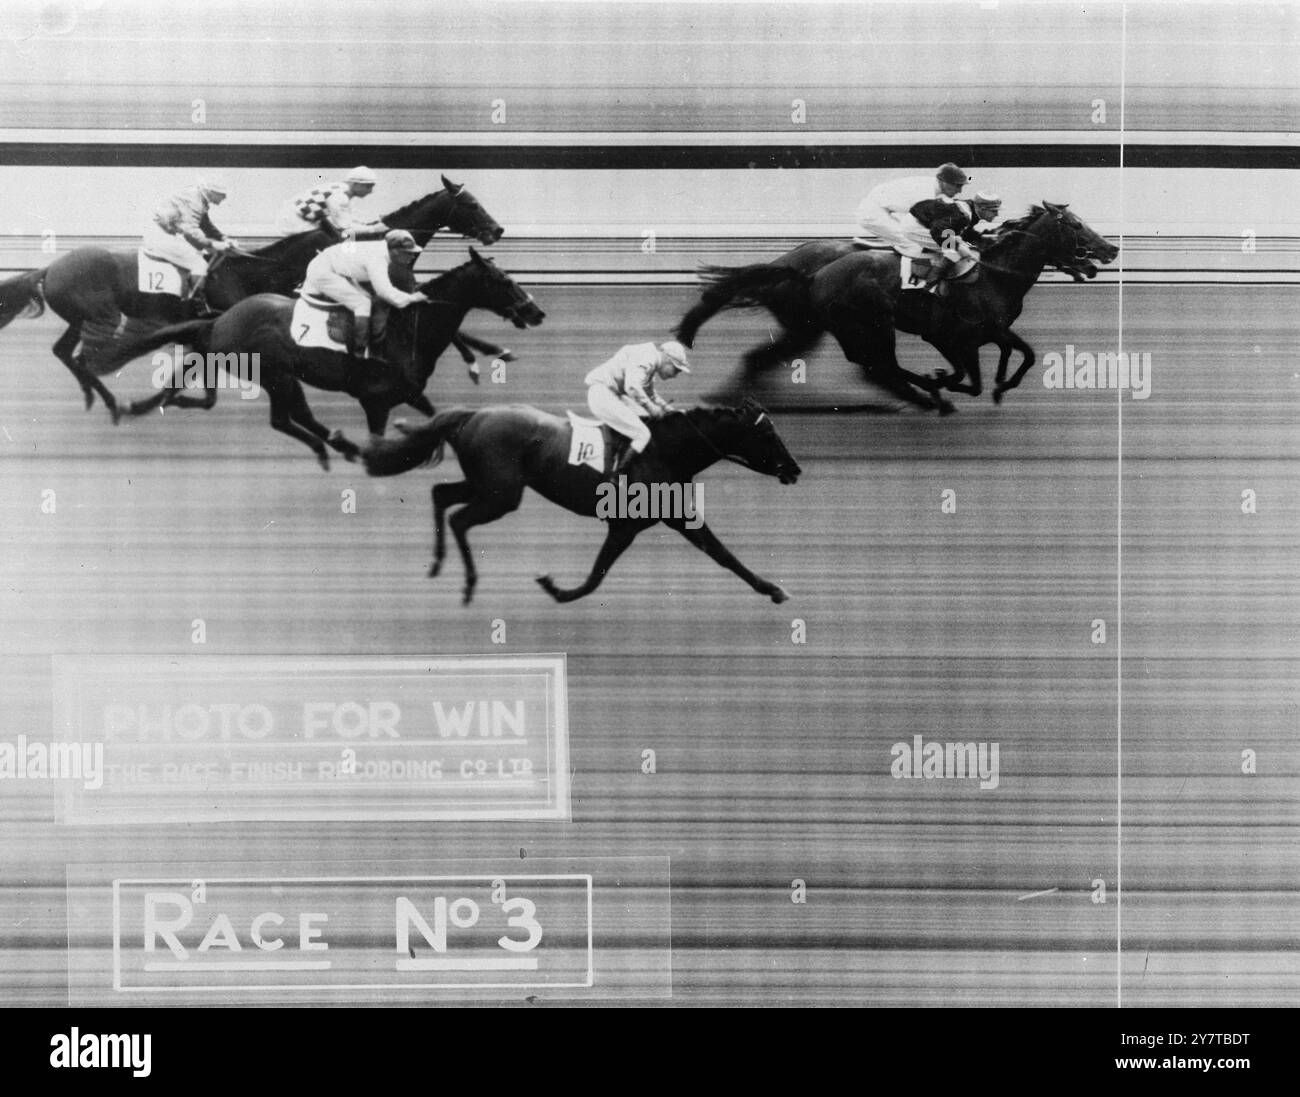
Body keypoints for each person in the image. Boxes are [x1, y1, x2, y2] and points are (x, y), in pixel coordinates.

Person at [298, 229, 426, 358]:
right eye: (409, 253)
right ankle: (359, 353)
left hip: (338, 269)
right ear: (396, 251)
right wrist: (413, 298)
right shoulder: (377, 259)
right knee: (362, 304)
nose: (412, 257)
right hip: (323, 271)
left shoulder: (383, 250)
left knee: (367, 298)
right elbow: (384, 292)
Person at [584, 340, 691, 474]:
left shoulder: (650, 362)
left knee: (645, 419)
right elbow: (632, 387)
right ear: (667, 359)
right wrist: (651, 408)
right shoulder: (647, 357)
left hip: (612, 394)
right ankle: (617, 477)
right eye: (676, 369)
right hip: (602, 394)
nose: (675, 375)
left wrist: (673, 412)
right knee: (643, 435)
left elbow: (651, 396)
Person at [854, 163, 970, 283]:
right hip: (872, 213)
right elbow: (932, 227)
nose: (960, 191)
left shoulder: (933, 187)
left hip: (883, 210)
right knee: (913, 243)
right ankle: (910, 283)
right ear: (944, 182)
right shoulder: (925, 192)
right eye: (957, 186)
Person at [142, 179, 235, 305]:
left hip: (165, 233)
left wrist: (223, 238)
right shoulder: (195, 201)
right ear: (212, 192)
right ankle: (197, 304)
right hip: (161, 237)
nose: (225, 198)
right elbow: (190, 231)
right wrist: (213, 244)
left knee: (203, 252)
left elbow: (205, 224)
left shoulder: (198, 197)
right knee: (199, 264)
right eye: (223, 195)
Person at [276, 166, 387, 240]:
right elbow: (344, 227)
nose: (371, 191)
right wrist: (375, 229)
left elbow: (345, 219)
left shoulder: (339, 188)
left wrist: (366, 225)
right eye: (368, 186)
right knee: (343, 237)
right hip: (295, 223)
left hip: (293, 219)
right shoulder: (340, 196)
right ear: (355, 184)